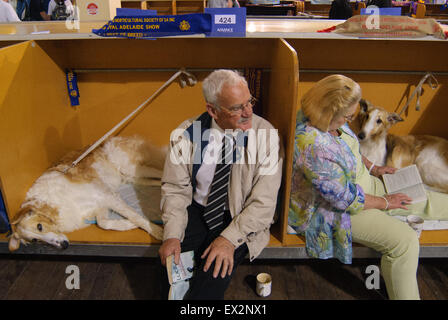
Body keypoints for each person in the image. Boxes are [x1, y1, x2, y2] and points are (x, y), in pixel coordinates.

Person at [288, 74, 448, 300]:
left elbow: (350, 147)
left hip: (363, 185)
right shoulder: (312, 145)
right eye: (347, 117)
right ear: (329, 111)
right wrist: (385, 202)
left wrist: (374, 168)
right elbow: (345, 199)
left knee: (428, 200)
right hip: (337, 211)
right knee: (404, 241)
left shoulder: (329, 120)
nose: (349, 120)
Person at [158, 69, 283, 300]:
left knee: (209, 280)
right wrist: (172, 234)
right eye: (237, 108)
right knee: (172, 275)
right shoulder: (186, 134)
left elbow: (264, 204)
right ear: (212, 110)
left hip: (239, 216)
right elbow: (175, 189)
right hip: (196, 210)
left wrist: (228, 240)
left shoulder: (266, 136)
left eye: (249, 102)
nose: (248, 113)